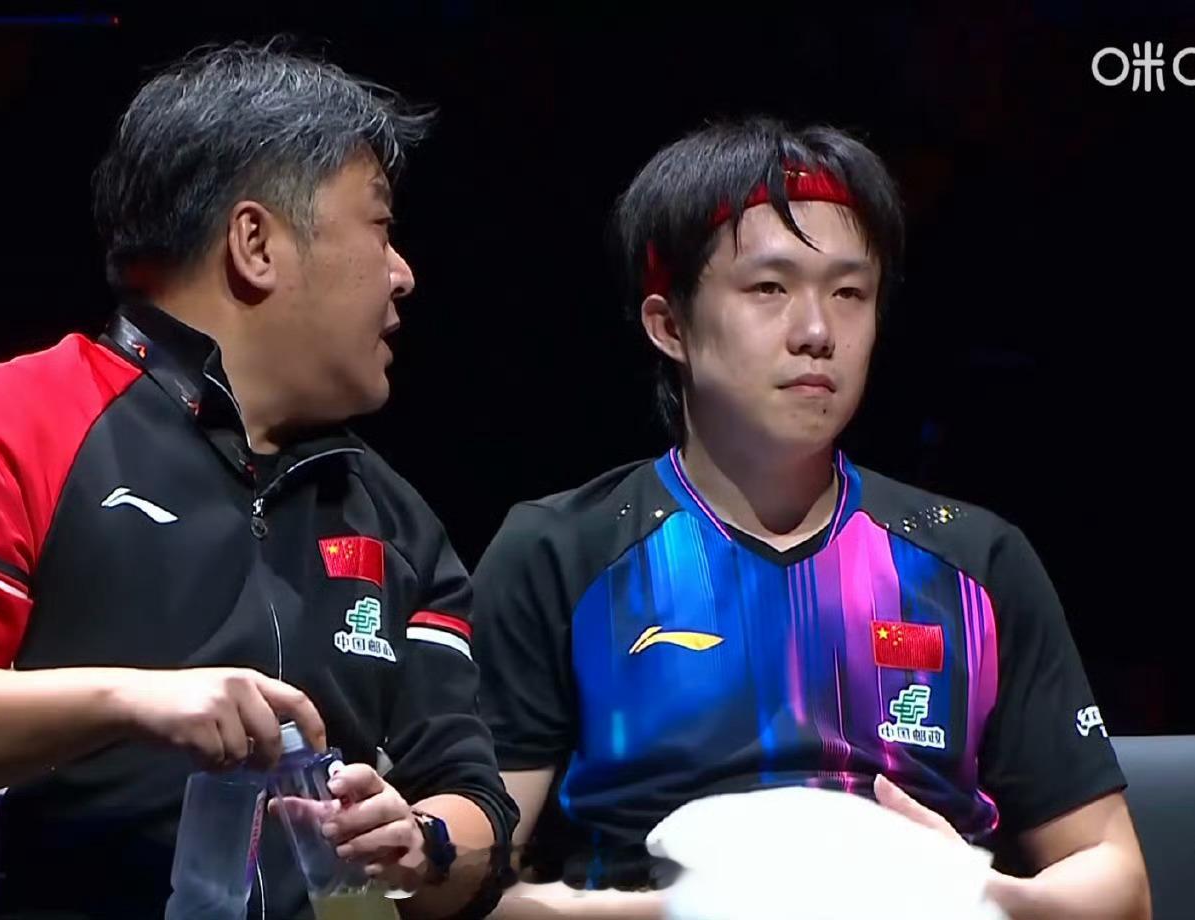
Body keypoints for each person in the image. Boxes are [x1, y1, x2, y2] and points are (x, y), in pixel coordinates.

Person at [0, 42, 515, 920]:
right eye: (380, 225)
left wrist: (423, 843)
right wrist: (129, 699)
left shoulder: (396, 518)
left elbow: (474, 809)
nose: (403, 273)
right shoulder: (6, 426)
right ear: (255, 243)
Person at [471, 118, 1150, 919]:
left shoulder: (977, 562)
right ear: (670, 324)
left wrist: (981, 893)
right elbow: (471, 889)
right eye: (770, 288)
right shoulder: (559, 553)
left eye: (849, 293)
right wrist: (699, 908)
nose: (818, 332)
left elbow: (1116, 877)